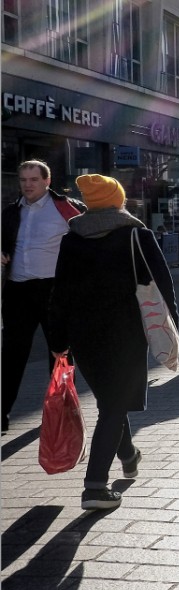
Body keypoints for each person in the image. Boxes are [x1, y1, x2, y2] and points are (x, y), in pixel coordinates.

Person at [48, 174, 178, 510]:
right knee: (114, 406)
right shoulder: (136, 234)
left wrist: (58, 340)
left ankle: (130, 456)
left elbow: (59, 294)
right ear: (116, 199)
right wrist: (172, 326)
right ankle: (94, 487)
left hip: (83, 336)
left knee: (111, 401)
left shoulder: (72, 239)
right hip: (127, 334)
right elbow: (162, 284)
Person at [1, 159, 85, 434]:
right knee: (11, 355)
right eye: (23, 180)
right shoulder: (11, 212)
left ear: (46, 181)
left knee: (59, 353)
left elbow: (88, 242)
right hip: (18, 290)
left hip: (54, 290)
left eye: (33, 180)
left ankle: (61, 414)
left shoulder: (67, 209)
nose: (27, 185)